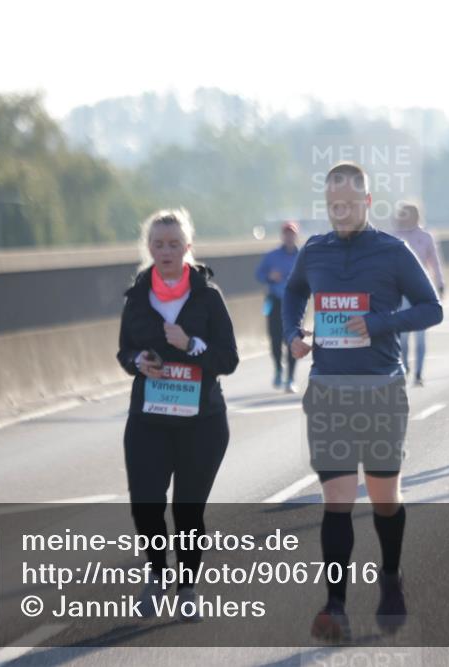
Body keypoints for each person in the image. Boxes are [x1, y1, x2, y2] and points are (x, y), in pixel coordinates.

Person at [283, 162, 442, 641]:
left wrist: (376, 324)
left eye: (349, 204)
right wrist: (293, 332)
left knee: (384, 499)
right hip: (328, 388)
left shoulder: (392, 252)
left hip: (380, 388)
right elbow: (293, 293)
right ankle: (335, 607)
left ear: (367, 203)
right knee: (336, 500)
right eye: (333, 205)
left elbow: (431, 308)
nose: (340, 212)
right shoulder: (314, 250)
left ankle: (391, 579)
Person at [117, 208, 240, 621]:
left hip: (201, 422)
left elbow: (229, 359)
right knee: (146, 504)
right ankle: (156, 575)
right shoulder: (137, 295)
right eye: (158, 244)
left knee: (187, 509)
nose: (165, 251)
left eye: (174, 244)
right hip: (149, 419)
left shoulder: (208, 296)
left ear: (188, 248)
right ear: (148, 248)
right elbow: (123, 352)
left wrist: (191, 346)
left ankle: (187, 585)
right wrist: (138, 360)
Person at [392, 201, 445, 387]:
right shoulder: (395, 237)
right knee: (403, 334)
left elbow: (435, 263)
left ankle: (419, 373)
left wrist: (440, 284)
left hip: (422, 291)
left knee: (421, 335)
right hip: (402, 292)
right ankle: (405, 367)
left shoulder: (426, 237)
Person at [255, 221, 301, 393]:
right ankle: (278, 369)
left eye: (292, 233)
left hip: (295, 304)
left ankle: (290, 378)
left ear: (296, 235)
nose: (289, 236)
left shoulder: (302, 256)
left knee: (293, 341)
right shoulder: (272, 256)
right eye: (286, 233)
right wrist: (269, 276)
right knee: (275, 340)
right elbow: (258, 274)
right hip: (275, 302)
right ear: (283, 236)